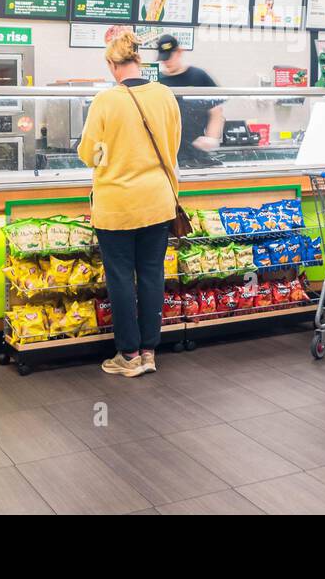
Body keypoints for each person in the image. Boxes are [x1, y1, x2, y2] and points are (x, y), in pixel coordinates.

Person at [77, 31, 182, 377]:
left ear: (111, 63)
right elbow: (173, 143)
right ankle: (150, 352)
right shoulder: (165, 94)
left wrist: (110, 153)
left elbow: (89, 153)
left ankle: (128, 355)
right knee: (152, 273)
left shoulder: (106, 101)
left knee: (121, 277)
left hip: (118, 203)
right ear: (139, 59)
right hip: (158, 200)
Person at [156, 34, 224, 168]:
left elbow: (216, 112)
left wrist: (212, 138)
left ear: (179, 52)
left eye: (169, 57)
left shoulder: (198, 76)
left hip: (196, 152)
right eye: (163, 59)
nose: (166, 62)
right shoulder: (158, 81)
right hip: (168, 152)